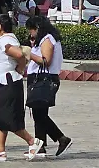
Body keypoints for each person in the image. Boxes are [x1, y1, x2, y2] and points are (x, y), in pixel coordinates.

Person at [0, 14, 42, 161]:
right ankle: (0, 150)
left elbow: (20, 54)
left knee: (9, 117)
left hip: (7, 83)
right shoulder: (5, 40)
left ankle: (32, 141)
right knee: (0, 116)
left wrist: (20, 68)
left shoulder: (6, 40)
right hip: (2, 83)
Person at [26, 15, 72, 156]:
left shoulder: (47, 39)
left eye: (31, 30)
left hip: (44, 78)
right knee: (39, 113)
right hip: (40, 78)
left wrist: (29, 53)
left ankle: (60, 138)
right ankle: (41, 144)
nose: (30, 33)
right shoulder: (45, 39)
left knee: (39, 113)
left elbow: (46, 61)